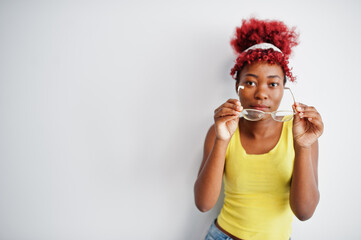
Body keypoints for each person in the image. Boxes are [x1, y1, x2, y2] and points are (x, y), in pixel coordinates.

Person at [194, 18, 324, 240]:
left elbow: (304, 212)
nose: (261, 94)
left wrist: (303, 147)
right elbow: (204, 204)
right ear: (238, 87)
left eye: (273, 84)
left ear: (284, 89)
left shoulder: (301, 134)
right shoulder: (221, 130)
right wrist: (222, 140)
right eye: (251, 82)